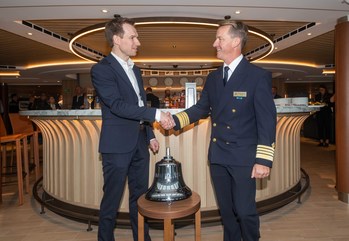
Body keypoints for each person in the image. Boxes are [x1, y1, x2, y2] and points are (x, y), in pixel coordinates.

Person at [163, 20, 276, 241]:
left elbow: (267, 120)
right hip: (219, 155)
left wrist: (264, 160)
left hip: (244, 156)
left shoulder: (257, 76)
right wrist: (174, 120)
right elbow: (201, 109)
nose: (215, 43)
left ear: (236, 41)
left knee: (244, 212)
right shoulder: (214, 77)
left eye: (220, 38)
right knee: (227, 213)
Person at [90, 17, 174, 241]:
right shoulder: (102, 70)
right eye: (133, 37)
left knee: (140, 198)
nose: (138, 42)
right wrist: (156, 115)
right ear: (116, 39)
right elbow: (117, 106)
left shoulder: (135, 70)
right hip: (116, 144)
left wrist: (149, 135)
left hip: (139, 143)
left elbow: (139, 105)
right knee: (112, 200)